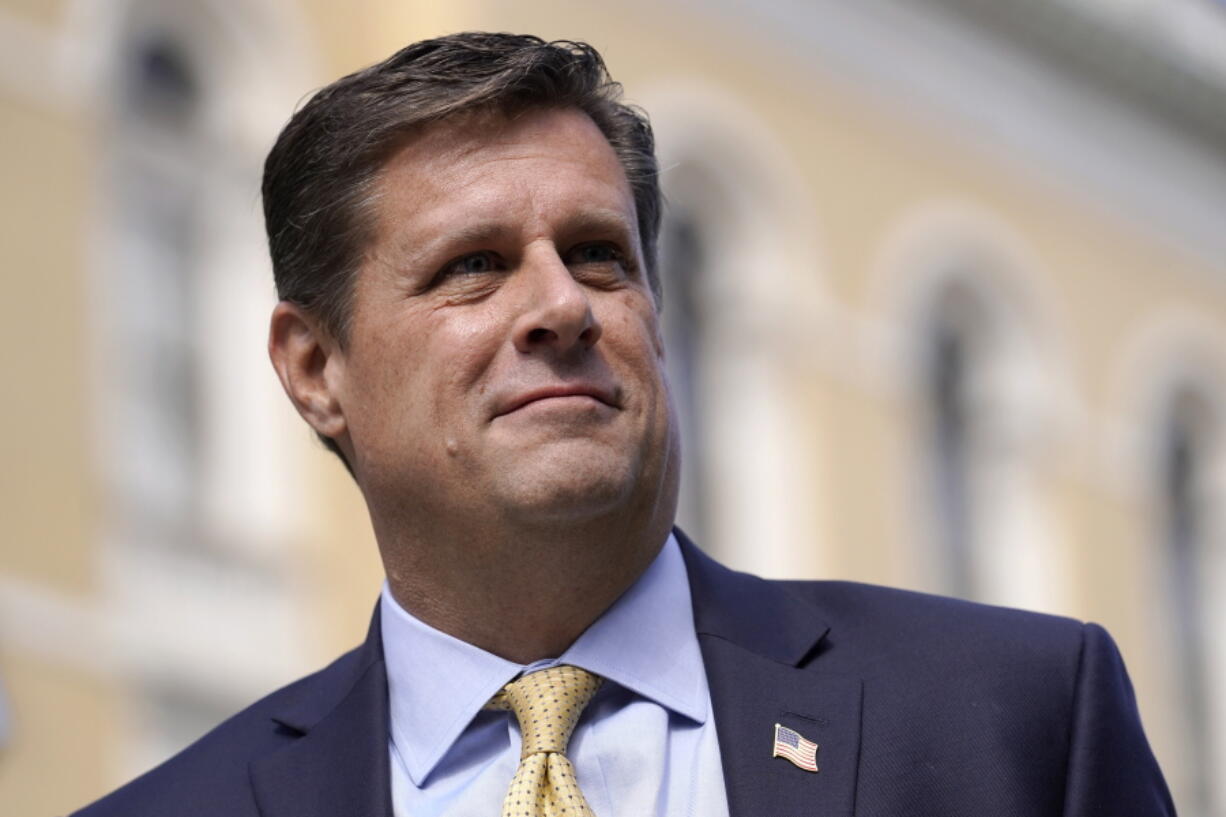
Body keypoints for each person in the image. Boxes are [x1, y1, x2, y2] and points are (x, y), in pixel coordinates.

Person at [73, 32, 1174, 817]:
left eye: (599, 254)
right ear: (315, 370)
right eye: (473, 267)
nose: (560, 306)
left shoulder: (1012, 724)